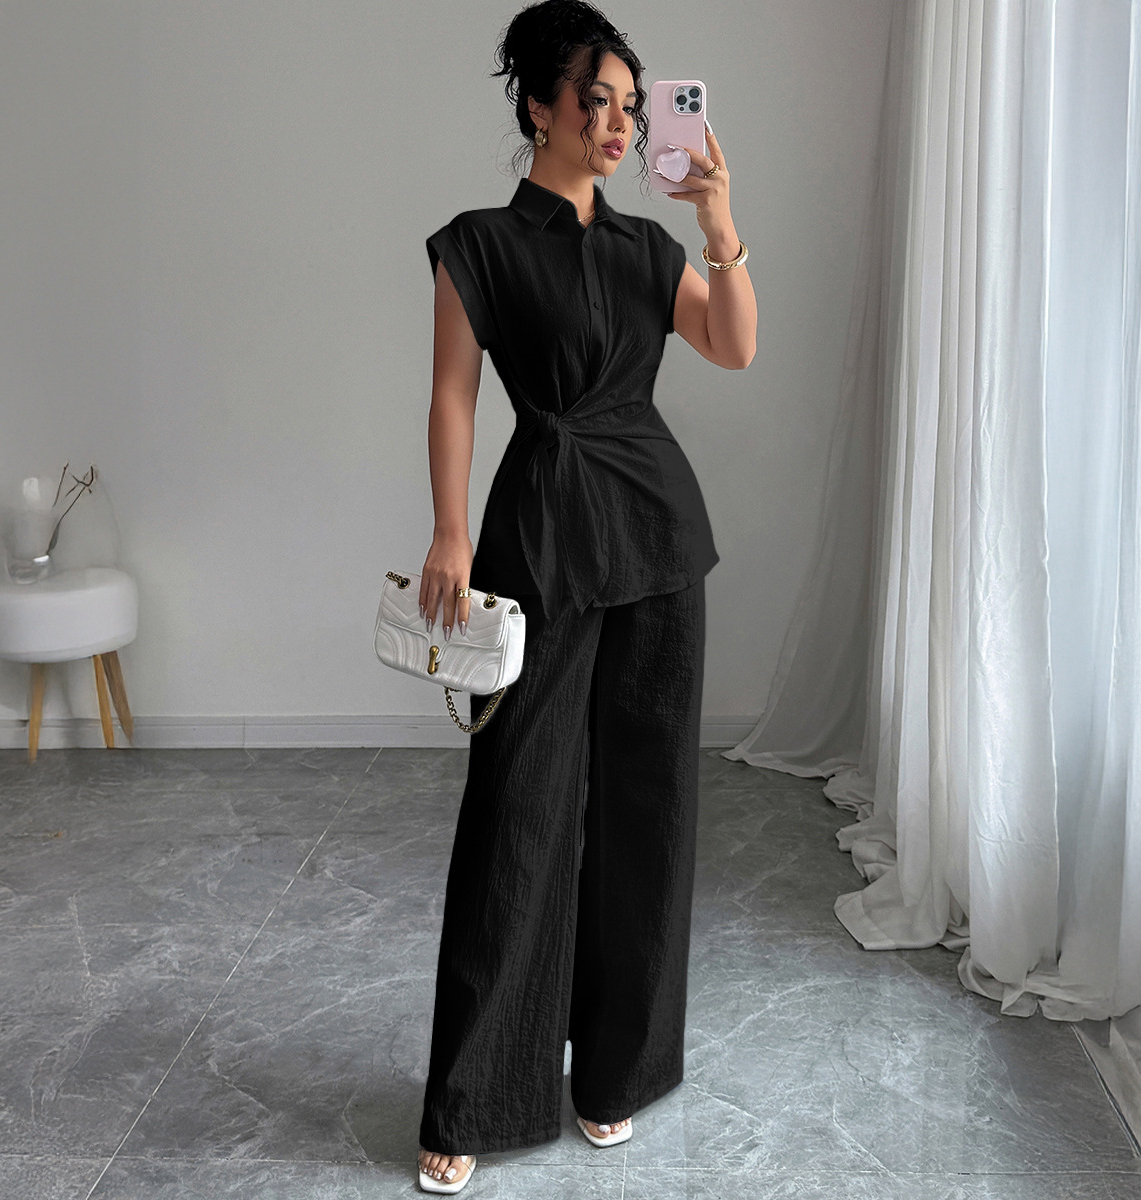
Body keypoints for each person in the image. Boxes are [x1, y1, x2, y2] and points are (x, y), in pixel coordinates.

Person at [415, 0, 756, 1191]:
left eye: (629, 106)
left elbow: (734, 346)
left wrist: (717, 220)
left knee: (650, 810)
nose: (617, 124)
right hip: (544, 535)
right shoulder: (478, 245)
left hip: (659, 535)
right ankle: (475, 1094)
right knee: (518, 810)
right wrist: (451, 529)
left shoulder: (648, 249)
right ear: (539, 109)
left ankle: (615, 1074)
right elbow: (453, 395)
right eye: (595, 102)